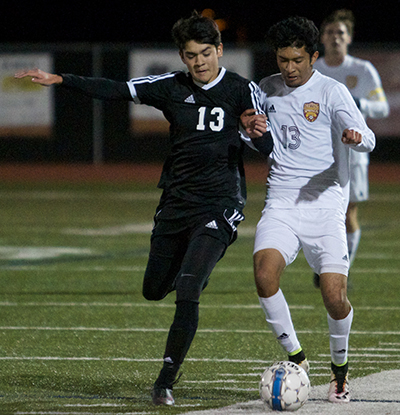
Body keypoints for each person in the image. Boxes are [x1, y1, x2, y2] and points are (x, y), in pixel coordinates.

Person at [15, 10, 272, 407]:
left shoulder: (242, 90)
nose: (199, 61)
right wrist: (61, 80)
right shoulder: (169, 87)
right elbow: (116, 89)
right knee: (153, 290)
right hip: (175, 202)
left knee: (188, 287)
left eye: (206, 52)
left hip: (220, 202)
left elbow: (266, 147)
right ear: (182, 57)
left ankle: (165, 380)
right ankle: (191, 271)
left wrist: (257, 133)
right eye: (191, 55)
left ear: (220, 50)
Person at [241, 16, 375, 403]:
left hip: (326, 204)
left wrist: (355, 137)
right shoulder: (265, 89)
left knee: (334, 297)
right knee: (265, 275)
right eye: (282, 59)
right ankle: (298, 358)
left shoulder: (332, 92)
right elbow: (252, 137)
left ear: (313, 56)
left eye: (297, 59)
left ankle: (340, 372)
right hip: (281, 201)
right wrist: (249, 132)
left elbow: (365, 136)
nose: (289, 67)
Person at [313, 9, 389, 287]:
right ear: (321, 37)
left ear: (350, 37)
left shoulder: (362, 70)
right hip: (318, 152)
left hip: (353, 154)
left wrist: (361, 104)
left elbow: (382, 108)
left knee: (348, 214)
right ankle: (325, 261)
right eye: (330, 32)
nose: (335, 37)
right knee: (318, 213)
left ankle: (339, 268)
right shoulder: (314, 69)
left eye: (340, 33)